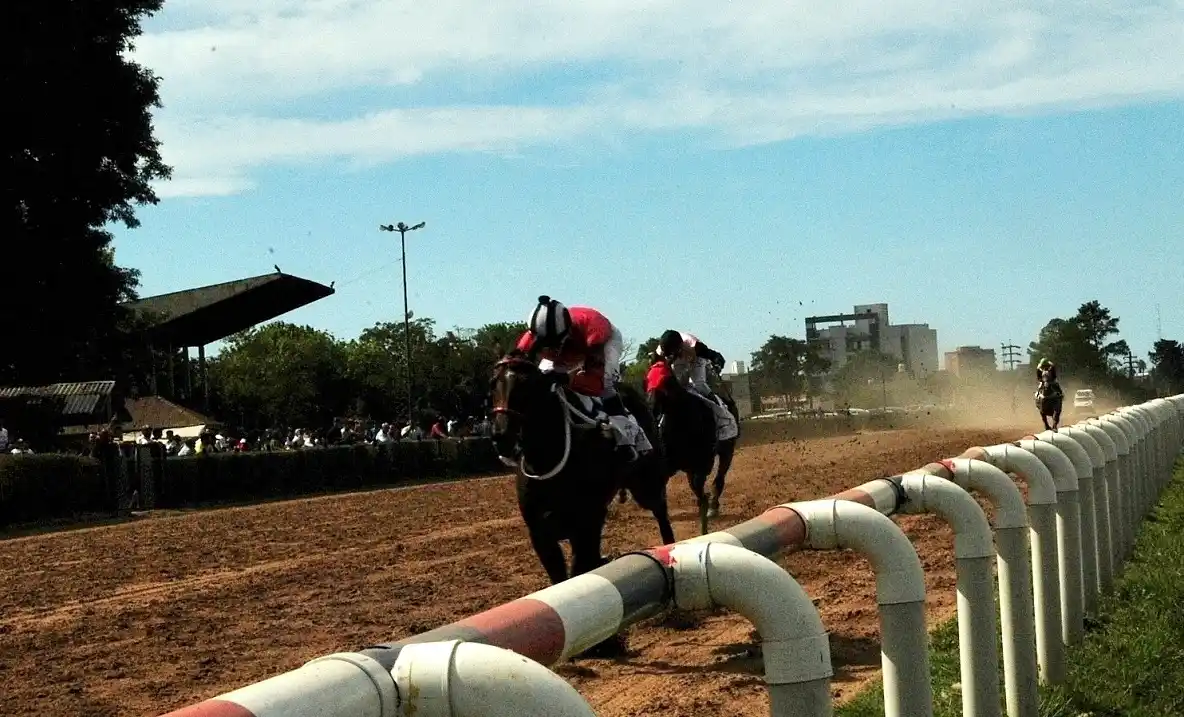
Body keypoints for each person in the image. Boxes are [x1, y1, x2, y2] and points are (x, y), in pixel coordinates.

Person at [516, 295, 650, 459]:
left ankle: (627, 437)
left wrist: (568, 378)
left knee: (606, 384)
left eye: (554, 344)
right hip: (574, 343)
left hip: (603, 342)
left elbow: (595, 384)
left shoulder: (595, 334)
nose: (552, 350)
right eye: (546, 345)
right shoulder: (533, 335)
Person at [654, 330, 738, 440]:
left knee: (699, 385)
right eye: (667, 354)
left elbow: (714, 355)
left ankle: (722, 415)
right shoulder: (661, 351)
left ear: (679, 346)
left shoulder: (694, 345)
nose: (669, 356)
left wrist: (718, 362)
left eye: (671, 353)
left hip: (696, 357)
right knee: (678, 386)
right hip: (679, 360)